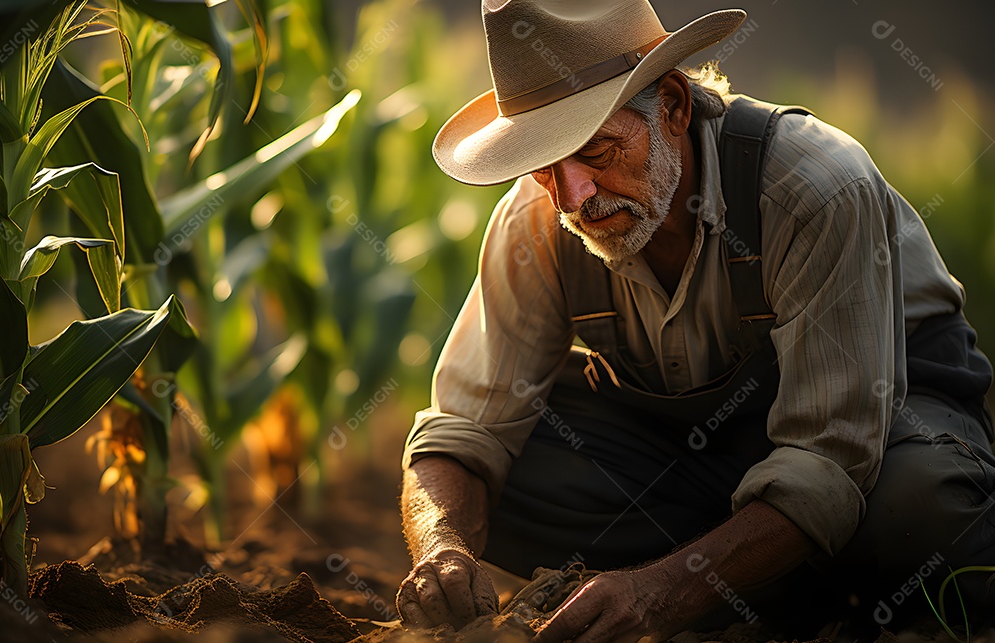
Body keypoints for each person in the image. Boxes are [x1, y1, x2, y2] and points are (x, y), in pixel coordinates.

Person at [396, 1, 995, 640]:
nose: (573, 198)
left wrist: (659, 595)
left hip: (881, 426)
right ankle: (758, 575)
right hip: (694, 455)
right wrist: (441, 548)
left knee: (918, 510)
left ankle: (769, 585)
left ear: (676, 107)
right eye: (544, 167)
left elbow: (829, 456)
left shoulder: (814, 188)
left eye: (596, 152)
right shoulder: (535, 222)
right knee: (487, 477)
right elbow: (462, 427)